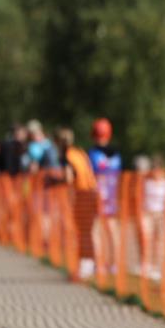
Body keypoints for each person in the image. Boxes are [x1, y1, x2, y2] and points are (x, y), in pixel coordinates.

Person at [55, 128, 99, 279]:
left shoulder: (66, 155)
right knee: (88, 230)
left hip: (82, 194)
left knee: (83, 230)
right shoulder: (79, 152)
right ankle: (90, 263)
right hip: (92, 191)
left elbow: (68, 177)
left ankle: (87, 264)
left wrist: (54, 181)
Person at [88, 119, 122, 279]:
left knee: (96, 230)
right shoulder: (116, 154)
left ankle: (99, 265)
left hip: (98, 195)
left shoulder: (93, 154)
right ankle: (114, 264)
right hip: (112, 195)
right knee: (112, 229)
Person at [140, 155, 165, 281]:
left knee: (159, 241)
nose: (155, 170)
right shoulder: (146, 182)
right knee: (146, 239)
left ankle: (156, 268)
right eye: (153, 167)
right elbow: (141, 198)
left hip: (161, 215)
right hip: (148, 214)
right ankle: (145, 265)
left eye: (157, 168)